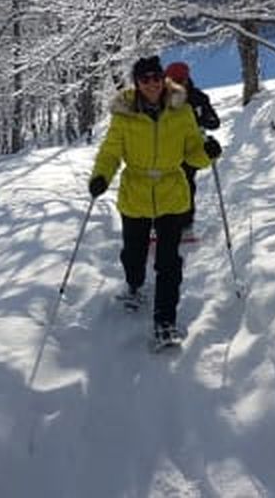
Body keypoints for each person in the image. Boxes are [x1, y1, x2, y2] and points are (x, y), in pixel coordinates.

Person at [88, 56, 223, 346]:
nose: (151, 83)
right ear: (136, 83)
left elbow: (192, 155)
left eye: (155, 78)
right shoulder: (124, 114)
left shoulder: (182, 111)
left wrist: (207, 153)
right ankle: (135, 285)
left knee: (168, 262)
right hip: (135, 192)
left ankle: (165, 321)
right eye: (144, 79)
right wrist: (101, 176)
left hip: (171, 193)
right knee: (134, 254)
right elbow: (111, 152)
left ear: (164, 79)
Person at [164, 61, 220, 233]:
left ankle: (186, 222)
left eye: (181, 79)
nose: (178, 83)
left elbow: (214, 122)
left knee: (186, 182)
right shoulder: (162, 98)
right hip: (168, 146)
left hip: (192, 147)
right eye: (174, 80)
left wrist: (203, 120)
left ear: (187, 78)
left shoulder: (198, 97)